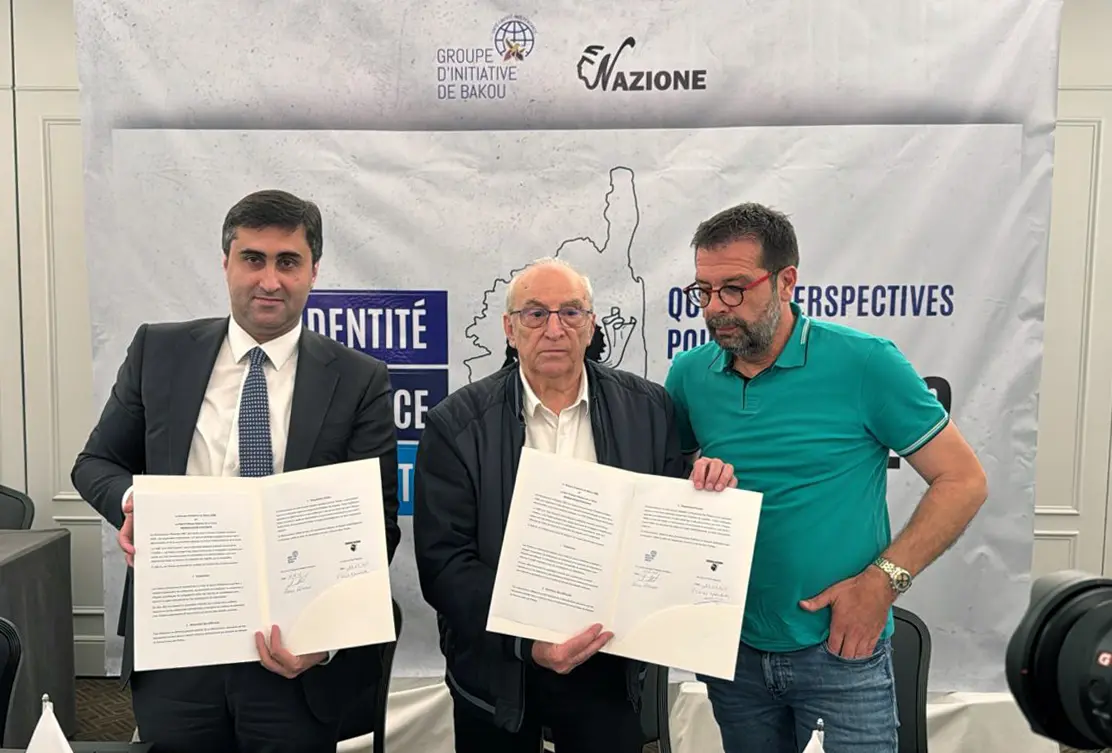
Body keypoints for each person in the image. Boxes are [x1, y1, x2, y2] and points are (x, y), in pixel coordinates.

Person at [71, 189, 401, 753]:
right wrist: (132, 501)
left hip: (292, 657)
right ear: (226, 263)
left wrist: (323, 640)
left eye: (288, 262)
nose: (269, 280)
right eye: (253, 259)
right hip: (177, 644)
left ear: (314, 272)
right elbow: (96, 463)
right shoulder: (159, 351)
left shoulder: (358, 379)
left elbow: (376, 524)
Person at [664, 202, 988, 753]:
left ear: (786, 281)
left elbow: (963, 480)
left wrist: (883, 583)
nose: (716, 308)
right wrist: (693, 480)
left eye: (735, 289)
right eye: (704, 290)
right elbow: (667, 483)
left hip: (840, 651)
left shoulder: (865, 363)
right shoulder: (690, 374)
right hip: (731, 653)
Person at [412, 256, 737, 753]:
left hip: (609, 666)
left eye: (570, 312)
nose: (554, 329)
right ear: (509, 329)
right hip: (498, 670)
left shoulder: (649, 410)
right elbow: (444, 564)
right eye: (535, 314)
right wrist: (528, 643)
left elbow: (667, 531)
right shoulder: (455, 425)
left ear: (591, 325)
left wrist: (704, 491)